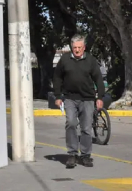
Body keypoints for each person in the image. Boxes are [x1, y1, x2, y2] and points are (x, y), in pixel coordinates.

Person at [53, 34, 105, 169]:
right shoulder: (65, 60)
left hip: (87, 99)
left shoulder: (91, 60)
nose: (77, 50)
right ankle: (72, 154)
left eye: (79, 47)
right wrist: (58, 96)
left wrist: (100, 98)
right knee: (70, 123)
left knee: (86, 128)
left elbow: (98, 79)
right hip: (70, 98)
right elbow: (57, 77)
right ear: (71, 47)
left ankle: (85, 156)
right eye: (74, 47)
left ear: (84, 47)